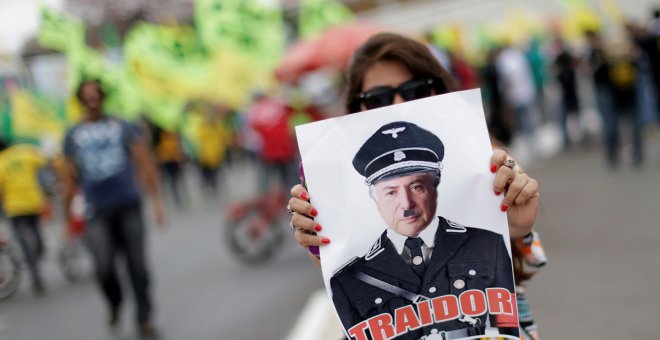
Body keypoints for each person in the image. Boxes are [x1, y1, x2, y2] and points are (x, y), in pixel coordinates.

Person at [288, 33, 540, 338]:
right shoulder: (347, 242)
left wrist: (517, 230)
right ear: (357, 108)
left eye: (415, 90)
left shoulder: (490, 160)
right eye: (378, 98)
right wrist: (325, 247)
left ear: (438, 90)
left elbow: (523, 272)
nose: (397, 104)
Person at [329, 121, 518, 339]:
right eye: (391, 193)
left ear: (435, 187)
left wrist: (521, 228)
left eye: (417, 187)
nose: (407, 204)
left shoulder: (487, 243)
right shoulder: (349, 279)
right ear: (375, 199)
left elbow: (509, 331)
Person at [61, 79, 165, 338]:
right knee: (103, 265)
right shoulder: (72, 134)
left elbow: (144, 160)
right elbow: (67, 178)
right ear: (80, 100)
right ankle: (115, 302)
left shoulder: (122, 125)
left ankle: (144, 318)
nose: (92, 99)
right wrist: (66, 220)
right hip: (97, 209)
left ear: (102, 97)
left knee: (137, 266)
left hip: (128, 204)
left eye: (96, 94)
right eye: (87, 96)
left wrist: (157, 202)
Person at [0, 141, 48, 294]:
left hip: (15, 207)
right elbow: (43, 162)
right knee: (35, 231)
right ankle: (38, 248)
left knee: (24, 241)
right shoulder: (25, 152)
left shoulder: (1, 162)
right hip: (34, 202)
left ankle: (35, 274)